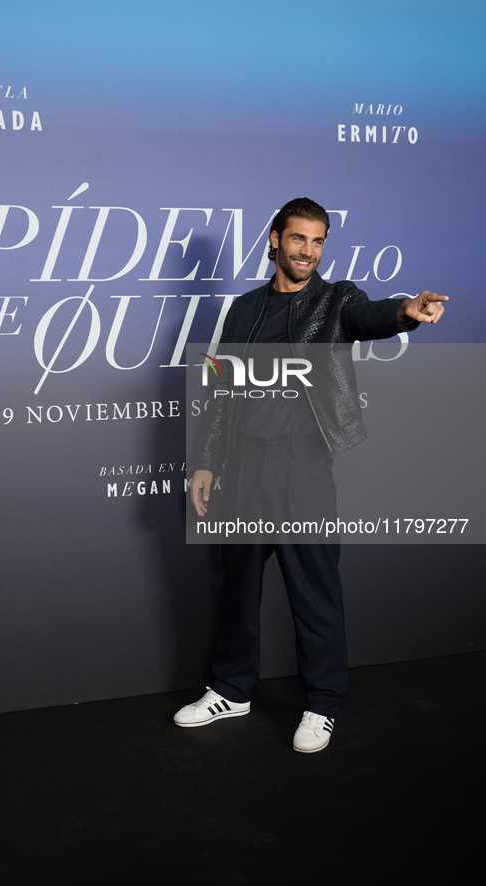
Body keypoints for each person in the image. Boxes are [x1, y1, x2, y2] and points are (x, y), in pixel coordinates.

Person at [174, 198, 448, 752]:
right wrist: (206, 461)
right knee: (239, 591)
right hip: (245, 465)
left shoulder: (336, 300)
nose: (308, 251)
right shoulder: (244, 310)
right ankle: (232, 689)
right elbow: (219, 389)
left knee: (315, 593)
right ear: (274, 240)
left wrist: (405, 312)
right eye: (299, 239)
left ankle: (321, 705)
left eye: (318, 241)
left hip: (302, 465)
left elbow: (372, 316)